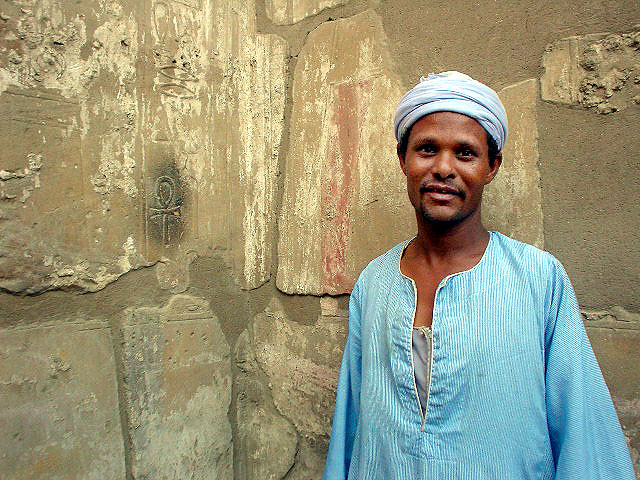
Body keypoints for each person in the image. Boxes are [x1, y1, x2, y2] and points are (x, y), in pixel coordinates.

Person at [323, 71, 636, 479]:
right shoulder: (375, 282)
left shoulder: (538, 279)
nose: (443, 168)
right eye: (427, 149)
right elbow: (352, 427)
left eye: (465, 153)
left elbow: (583, 432)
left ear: (492, 167)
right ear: (403, 159)